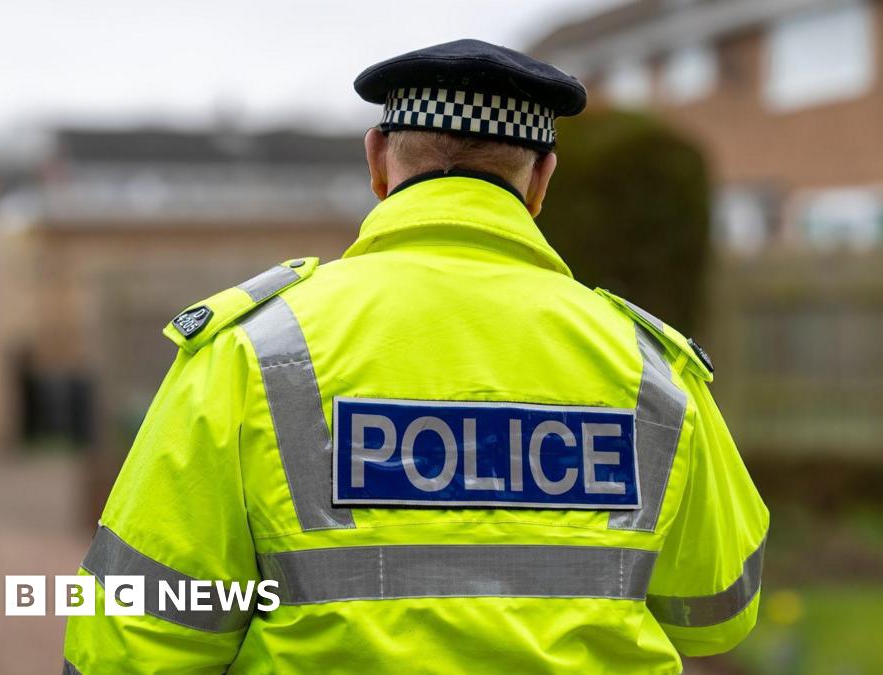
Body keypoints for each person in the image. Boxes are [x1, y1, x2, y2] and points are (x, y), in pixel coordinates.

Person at [63, 39, 768, 674]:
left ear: (377, 157)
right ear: (542, 177)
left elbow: (134, 636)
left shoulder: (254, 350)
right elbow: (716, 609)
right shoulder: (651, 367)